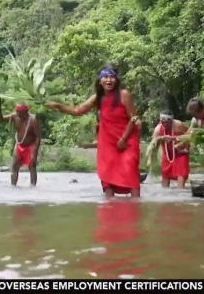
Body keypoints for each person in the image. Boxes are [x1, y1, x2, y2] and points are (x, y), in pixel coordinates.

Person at [46, 66, 141, 198]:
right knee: (108, 178)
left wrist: (123, 139)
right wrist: (59, 106)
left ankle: (135, 210)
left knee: (130, 174)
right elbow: (78, 111)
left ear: (116, 80)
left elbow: (134, 118)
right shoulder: (97, 98)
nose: (109, 80)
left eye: (112, 77)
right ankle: (110, 212)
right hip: (108, 143)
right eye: (105, 77)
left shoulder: (124, 94)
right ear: (100, 81)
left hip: (127, 140)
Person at [0, 99, 41, 186]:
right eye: (17, 112)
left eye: (19, 112)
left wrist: (34, 152)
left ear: (26, 112)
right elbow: (1, 119)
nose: (18, 114)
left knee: (32, 167)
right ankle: (13, 187)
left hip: (30, 147)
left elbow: (38, 137)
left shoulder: (33, 120)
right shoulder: (15, 117)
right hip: (19, 145)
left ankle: (33, 187)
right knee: (15, 166)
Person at [152, 110, 190, 188]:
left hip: (180, 153)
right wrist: (161, 139)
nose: (165, 124)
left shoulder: (178, 125)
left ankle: (181, 194)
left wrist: (186, 149)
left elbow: (189, 134)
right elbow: (153, 144)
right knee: (165, 176)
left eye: (167, 122)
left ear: (171, 121)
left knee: (181, 175)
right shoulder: (158, 130)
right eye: (163, 122)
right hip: (167, 154)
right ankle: (165, 197)